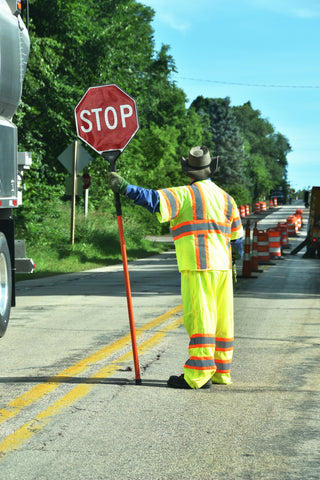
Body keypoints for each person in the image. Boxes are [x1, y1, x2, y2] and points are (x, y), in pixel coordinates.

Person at [108, 146, 244, 389]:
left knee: (201, 319)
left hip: (198, 266)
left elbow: (152, 199)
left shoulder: (184, 195)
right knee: (223, 321)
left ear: (188, 173)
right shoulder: (227, 198)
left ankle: (198, 376)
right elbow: (238, 238)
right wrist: (234, 262)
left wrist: (125, 187)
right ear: (211, 169)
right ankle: (220, 371)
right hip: (223, 267)